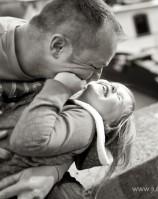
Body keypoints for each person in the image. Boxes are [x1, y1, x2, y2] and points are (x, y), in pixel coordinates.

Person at [0, 0, 125, 198]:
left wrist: (53, 172)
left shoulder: (63, 74)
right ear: (58, 47)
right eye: (94, 67)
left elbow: (68, 130)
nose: (96, 79)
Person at [0, 73, 136, 198]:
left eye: (119, 97)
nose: (112, 87)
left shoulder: (85, 120)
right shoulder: (74, 110)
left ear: (108, 125)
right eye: (114, 84)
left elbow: (29, 139)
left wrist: (57, 88)